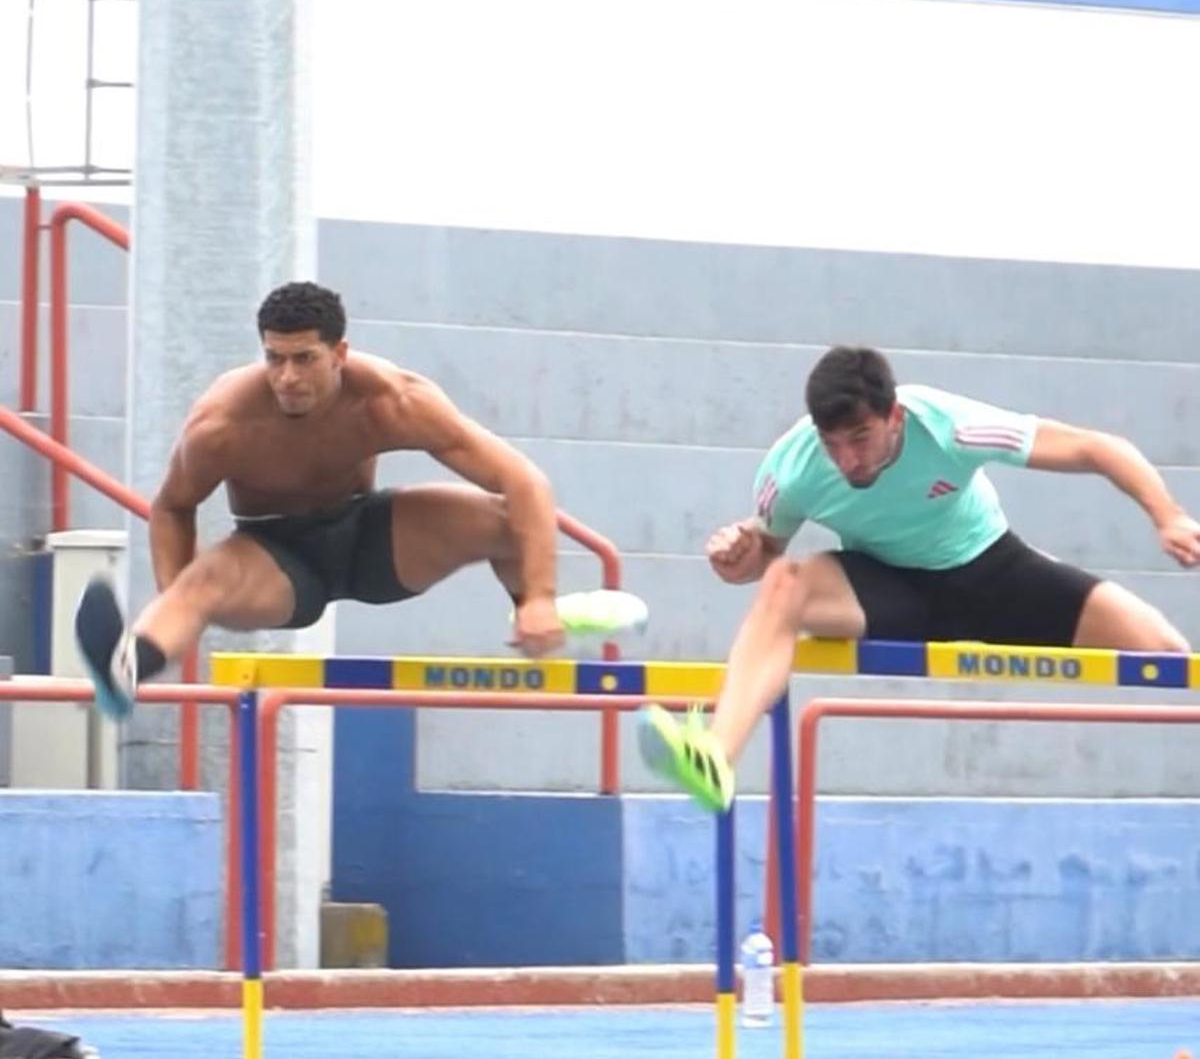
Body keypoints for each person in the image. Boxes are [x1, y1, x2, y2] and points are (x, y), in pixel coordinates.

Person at [637, 343, 1200, 812]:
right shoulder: (793, 467)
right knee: (784, 581)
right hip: (889, 588)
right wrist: (740, 557)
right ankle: (716, 756)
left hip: (993, 573)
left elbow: (1095, 447)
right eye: (832, 444)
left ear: (894, 418)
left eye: (860, 438)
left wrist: (1167, 514)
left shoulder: (949, 425)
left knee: (1168, 654)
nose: (848, 461)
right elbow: (764, 553)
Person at [75, 280, 641, 717]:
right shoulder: (223, 424)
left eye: (305, 359)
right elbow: (173, 507)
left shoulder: (394, 400)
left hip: (368, 537)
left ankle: (536, 617)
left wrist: (540, 595)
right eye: (274, 359)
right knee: (200, 583)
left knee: (502, 518)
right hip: (275, 555)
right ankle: (130, 667)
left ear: (339, 352)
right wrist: (181, 608)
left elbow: (525, 483)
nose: (287, 378)